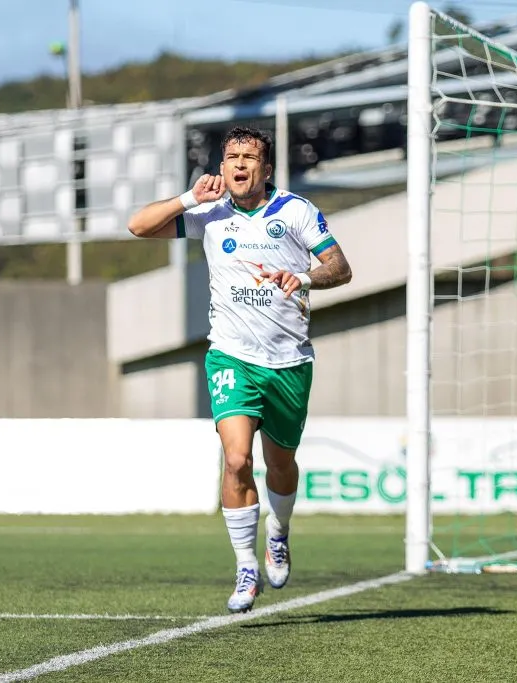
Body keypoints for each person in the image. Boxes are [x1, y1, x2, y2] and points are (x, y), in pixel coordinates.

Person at [127, 126, 353, 613]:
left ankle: (279, 531)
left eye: (249, 157)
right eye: (232, 157)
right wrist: (188, 198)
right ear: (223, 166)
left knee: (281, 464)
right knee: (235, 460)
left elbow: (341, 267)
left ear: (266, 169)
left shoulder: (295, 212)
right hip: (230, 356)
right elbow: (139, 226)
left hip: (289, 360)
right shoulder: (209, 214)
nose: (239, 164)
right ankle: (245, 565)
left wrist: (305, 276)